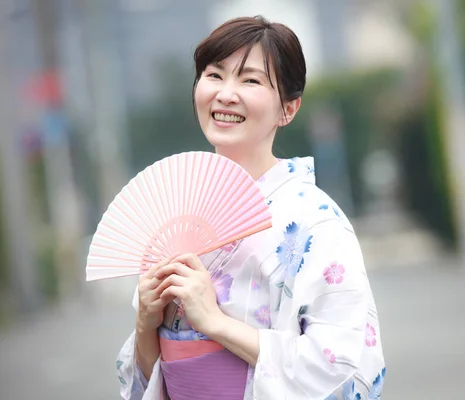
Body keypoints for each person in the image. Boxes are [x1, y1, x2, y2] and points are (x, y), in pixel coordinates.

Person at [116, 15, 385, 400]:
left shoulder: (314, 222)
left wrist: (214, 323)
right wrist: (146, 322)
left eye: (251, 80)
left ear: (288, 109)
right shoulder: (175, 214)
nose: (226, 94)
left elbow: (342, 366)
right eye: (214, 75)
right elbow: (146, 379)